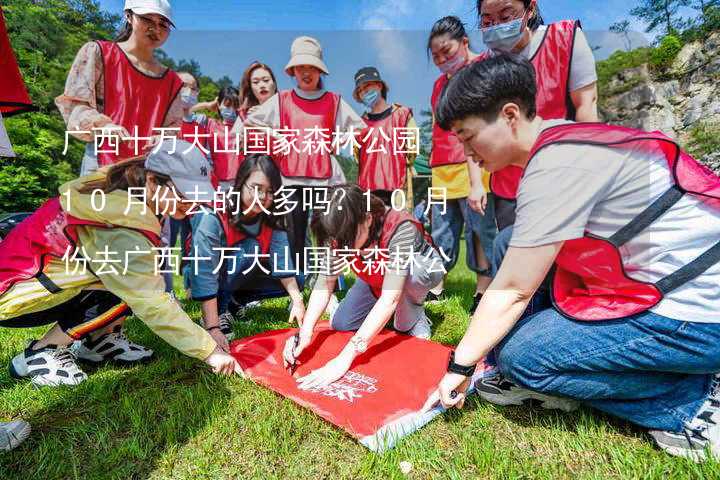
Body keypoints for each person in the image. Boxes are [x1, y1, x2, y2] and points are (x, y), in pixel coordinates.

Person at [426, 54, 720, 461]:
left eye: (468, 136)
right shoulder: (564, 137)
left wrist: (461, 365)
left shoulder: (555, 168)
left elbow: (511, 290)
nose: (466, 152)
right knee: (508, 240)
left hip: (699, 315)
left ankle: (692, 401)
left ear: (509, 115)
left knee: (523, 359)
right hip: (667, 281)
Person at [0, 140, 243, 389]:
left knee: (136, 277)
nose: (191, 204)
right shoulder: (121, 218)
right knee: (136, 287)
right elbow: (151, 302)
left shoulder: (127, 191)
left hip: (32, 280)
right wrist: (209, 351)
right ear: (152, 181)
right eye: (183, 193)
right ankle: (41, 352)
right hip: (16, 295)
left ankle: (100, 341)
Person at [475, 0, 599, 283]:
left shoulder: (564, 39)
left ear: (530, 9)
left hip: (562, 179)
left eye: (506, 16)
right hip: (510, 187)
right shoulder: (483, 67)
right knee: (517, 264)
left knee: (565, 268)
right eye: (487, 21)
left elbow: (586, 109)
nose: (497, 27)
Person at [282, 184, 444, 389]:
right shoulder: (336, 231)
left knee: (403, 321)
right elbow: (326, 281)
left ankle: (415, 311)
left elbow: (389, 299)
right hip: (376, 275)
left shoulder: (401, 227)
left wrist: (345, 358)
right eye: (336, 240)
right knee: (342, 323)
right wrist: (305, 332)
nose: (341, 247)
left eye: (347, 240)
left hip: (415, 271)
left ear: (368, 219)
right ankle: (379, 302)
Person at [237, 36, 366, 271]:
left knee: (328, 231)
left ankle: (328, 284)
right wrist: (276, 136)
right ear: (292, 71)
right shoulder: (282, 100)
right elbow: (251, 123)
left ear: (320, 71)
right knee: (294, 234)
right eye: (301, 67)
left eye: (312, 67)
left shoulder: (333, 101)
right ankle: (300, 280)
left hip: (325, 179)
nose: (306, 72)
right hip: (290, 179)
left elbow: (360, 129)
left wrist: (339, 140)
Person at [183, 154, 305, 349]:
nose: (263, 197)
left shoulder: (273, 215)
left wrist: (298, 302)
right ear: (240, 184)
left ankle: (234, 301)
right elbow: (204, 268)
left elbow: (282, 264)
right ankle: (219, 311)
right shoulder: (213, 214)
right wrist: (212, 327)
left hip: (239, 271)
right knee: (250, 249)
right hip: (204, 273)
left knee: (298, 279)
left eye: (270, 191)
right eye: (256, 188)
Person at [56, 0, 184, 175]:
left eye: (163, 24)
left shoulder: (172, 81)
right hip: (101, 163)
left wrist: (163, 139)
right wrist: (104, 126)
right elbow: (76, 105)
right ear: (129, 16)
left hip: (147, 170)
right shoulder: (99, 53)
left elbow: (174, 127)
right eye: (147, 19)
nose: (156, 29)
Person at [427, 16, 497, 313]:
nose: (443, 59)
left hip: (476, 164)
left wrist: (479, 179)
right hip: (441, 169)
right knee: (441, 229)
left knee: (479, 230)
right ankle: (434, 287)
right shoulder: (439, 84)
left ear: (465, 42)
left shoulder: (485, 67)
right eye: (437, 56)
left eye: (447, 51)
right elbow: (436, 125)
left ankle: (482, 291)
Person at [352, 66, 417, 208]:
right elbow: (357, 157)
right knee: (371, 228)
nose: (364, 92)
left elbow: (412, 149)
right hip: (368, 192)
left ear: (379, 86)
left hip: (398, 188)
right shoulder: (359, 125)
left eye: (367, 86)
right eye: (360, 90)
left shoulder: (402, 115)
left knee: (398, 227)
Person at [190, 86, 242, 191]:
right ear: (218, 104)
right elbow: (185, 113)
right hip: (216, 182)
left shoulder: (243, 126)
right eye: (227, 105)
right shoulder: (209, 124)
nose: (231, 110)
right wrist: (206, 105)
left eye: (235, 106)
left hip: (240, 182)